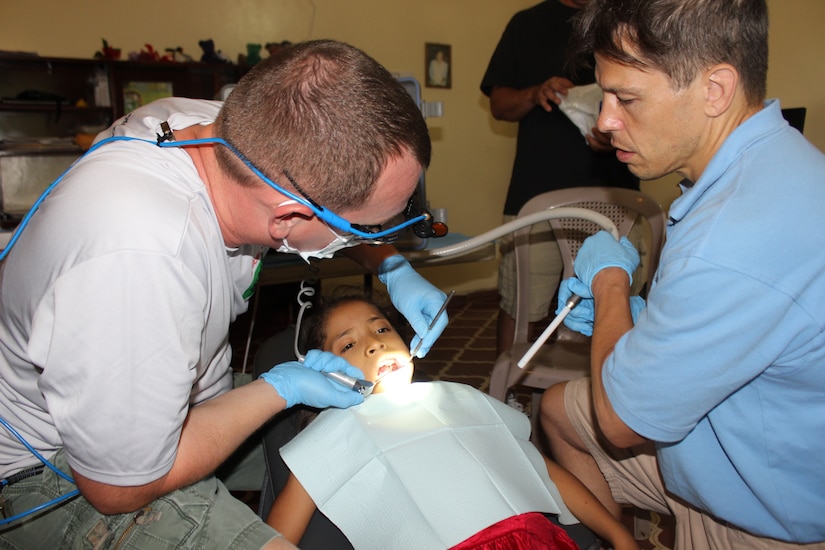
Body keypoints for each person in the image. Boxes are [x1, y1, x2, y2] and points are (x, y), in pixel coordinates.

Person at [0, 40, 450, 548]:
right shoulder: (140, 263)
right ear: (285, 217)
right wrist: (279, 390)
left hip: (171, 389)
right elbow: (116, 488)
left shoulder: (223, 128)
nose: (372, 241)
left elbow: (324, 202)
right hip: (48, 470)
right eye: (365, 231)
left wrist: (391, 265)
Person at [539, 1, 825, 548]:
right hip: (737, 440)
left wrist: (609, 284)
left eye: (626, 98)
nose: (604, 120)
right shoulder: (774, 161)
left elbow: (622, 422)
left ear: (714, 90)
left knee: (600, 414)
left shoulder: (731, 238)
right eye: (604, 95)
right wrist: (650, 324)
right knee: (557, 410)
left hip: (765, 511)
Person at [264, 292, 639, 550]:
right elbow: (279, 533)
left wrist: (617, 534)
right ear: (327, 371)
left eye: (381, 329)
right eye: (348, 344)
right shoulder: (333, 432)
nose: (374, 343)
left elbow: (541, 470)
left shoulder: (461, 397)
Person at [480, 0, 639, 356]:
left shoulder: (630, 21)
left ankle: (604, 394)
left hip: (616, 197)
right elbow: (499, 104)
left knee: (615, 304)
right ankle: (506, 392)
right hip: (538, 191)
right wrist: (535, 94)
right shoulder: (527, 24)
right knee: (522, 303)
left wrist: (616, 136)